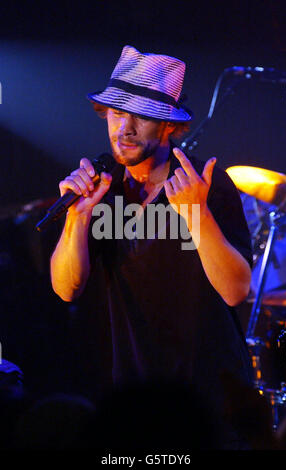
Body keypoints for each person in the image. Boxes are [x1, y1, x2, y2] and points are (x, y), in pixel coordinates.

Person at [50, 45, 254, 448]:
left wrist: (196, 213)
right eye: (116, 112)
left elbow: (235, 290)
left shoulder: (200, 185)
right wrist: (77, 215)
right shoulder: (102, 189)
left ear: (168, 126)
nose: (124, 127)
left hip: (208, 398)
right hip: (131, 397)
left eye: (140, 115)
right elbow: (66, 287)